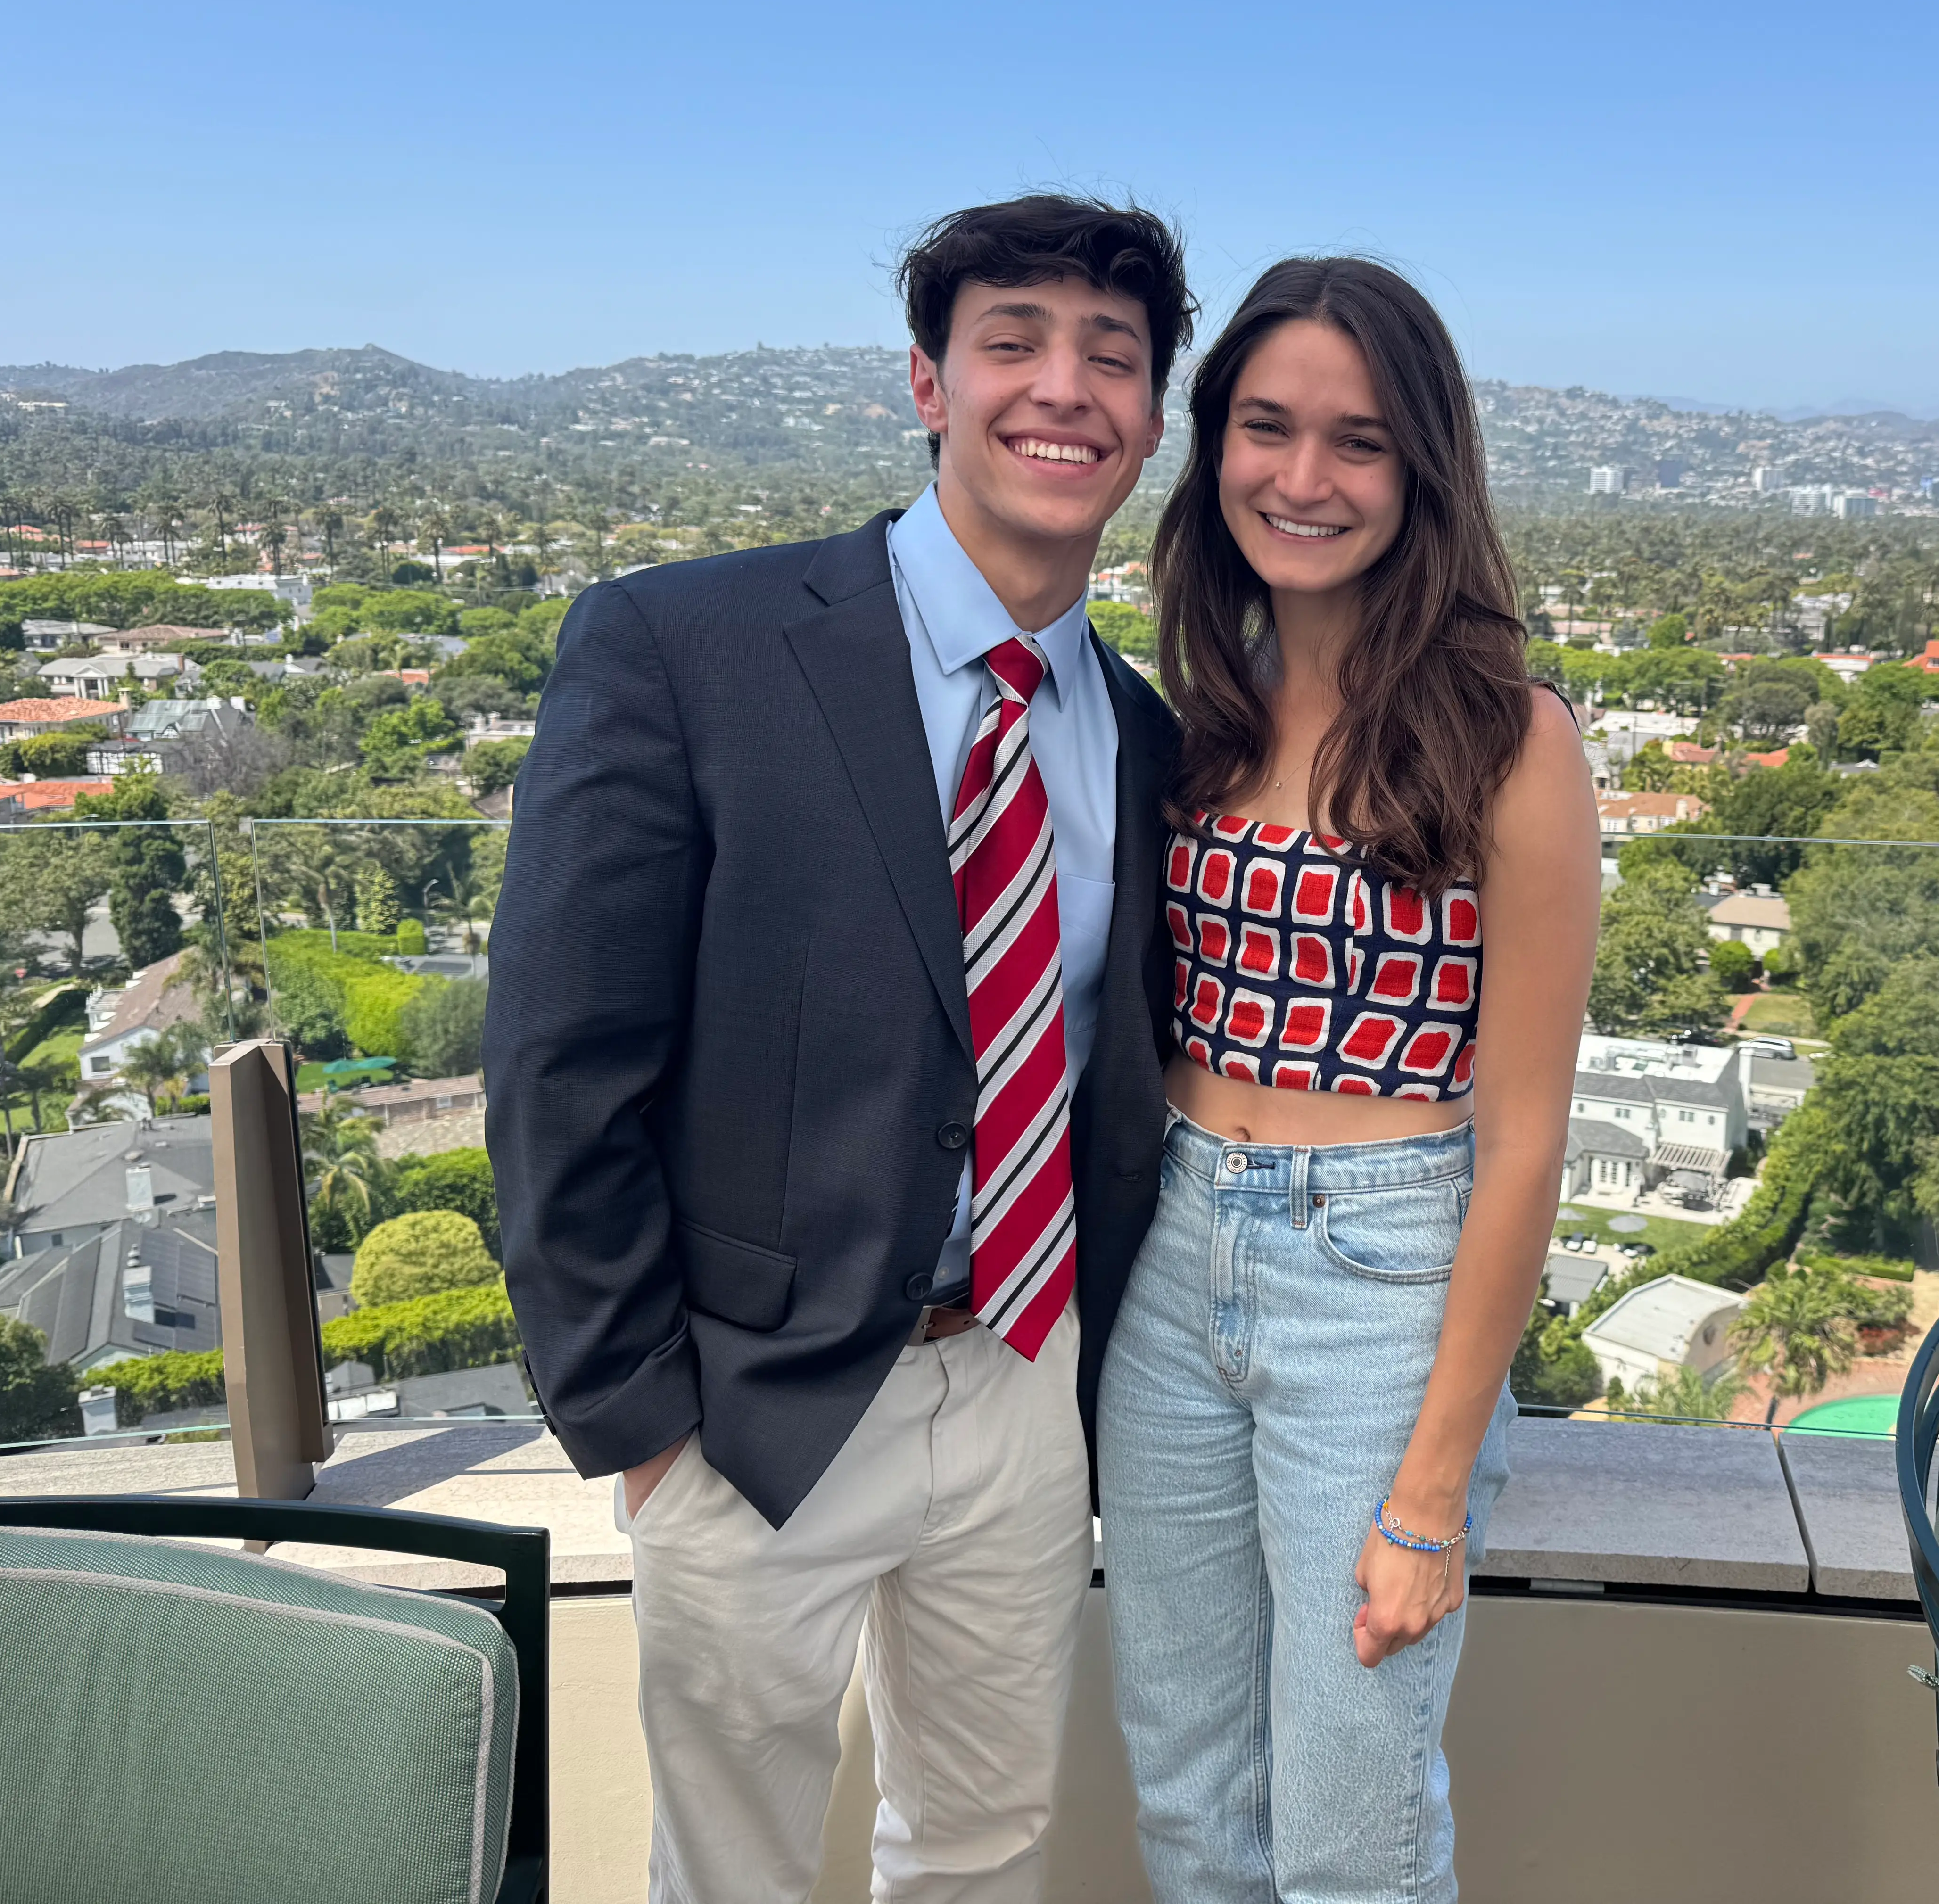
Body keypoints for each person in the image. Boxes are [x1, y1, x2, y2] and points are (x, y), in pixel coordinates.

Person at [487, 193, 1192, 1904]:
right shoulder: (688, 646)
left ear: (1155, 418)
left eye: (1113, 356)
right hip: (752, 1403)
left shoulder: (1146, 731)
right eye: (1011, 341)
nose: (1064, 389)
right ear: (927, 384)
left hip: (1024, 1383)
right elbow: (560, 1060)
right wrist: (642, 1425)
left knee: (983, 1849)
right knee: (733, 1872)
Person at [1097, 258, 1600, 1902]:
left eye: (1358, 442)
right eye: (1266, 427)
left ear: (1422, 472)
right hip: (1173, 1255)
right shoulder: (1203, 714)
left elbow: (1524, 1137)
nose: (1303, 479)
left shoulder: (1507, 739)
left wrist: (1435, 1489)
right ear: (1214, 445)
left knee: (1350, 1838)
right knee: (1188, 1804)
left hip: (1376, 1279)